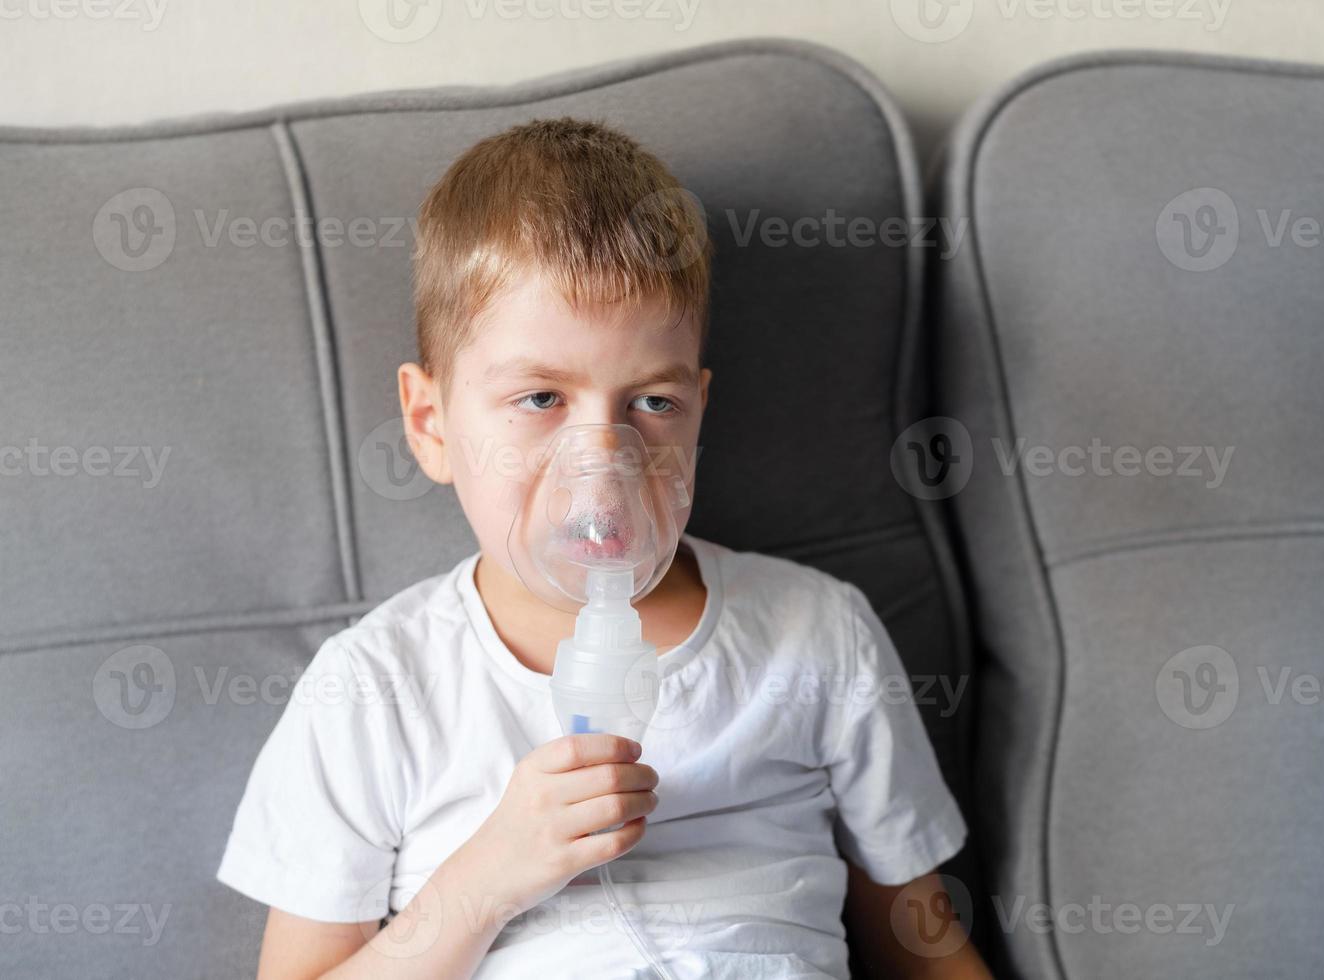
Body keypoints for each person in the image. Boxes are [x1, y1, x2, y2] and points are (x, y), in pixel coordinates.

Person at [217, 117, 990, 980]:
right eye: (541, 397)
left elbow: (921, 944)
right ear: (431, 424)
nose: (605, 463)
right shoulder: (375, 689)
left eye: (652, 404)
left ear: (698, 409)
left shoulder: (817, 634)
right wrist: (484, 880)